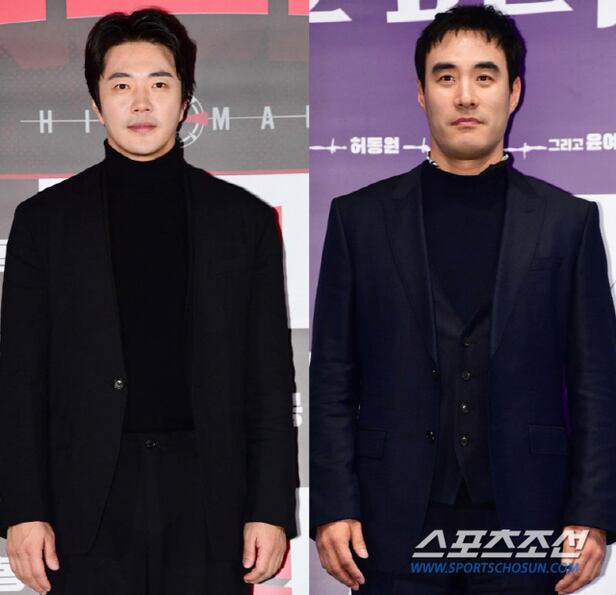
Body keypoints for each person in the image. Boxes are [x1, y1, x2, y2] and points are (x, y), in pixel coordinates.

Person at [310, 5, 616, 595]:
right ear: (421, 92)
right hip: (390, 519)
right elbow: (332, 378)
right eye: (446, 76)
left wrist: (593, 512)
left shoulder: (567, 223)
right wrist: (333, 505)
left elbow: (596, 384)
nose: (466, 96)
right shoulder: (359, 220)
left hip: (527, 517)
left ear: (514, 91)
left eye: (485, 75)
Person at [0, 8, 297, 595]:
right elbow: (19, 379)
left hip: (209, 497)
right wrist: (23, 509)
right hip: (85, 499)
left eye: (159, 84)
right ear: (96, 102)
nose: (142, 103)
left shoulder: (244, 222)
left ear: (185, 99)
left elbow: (268, 379)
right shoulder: (43, 223)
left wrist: (269, 508)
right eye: (121, 86)